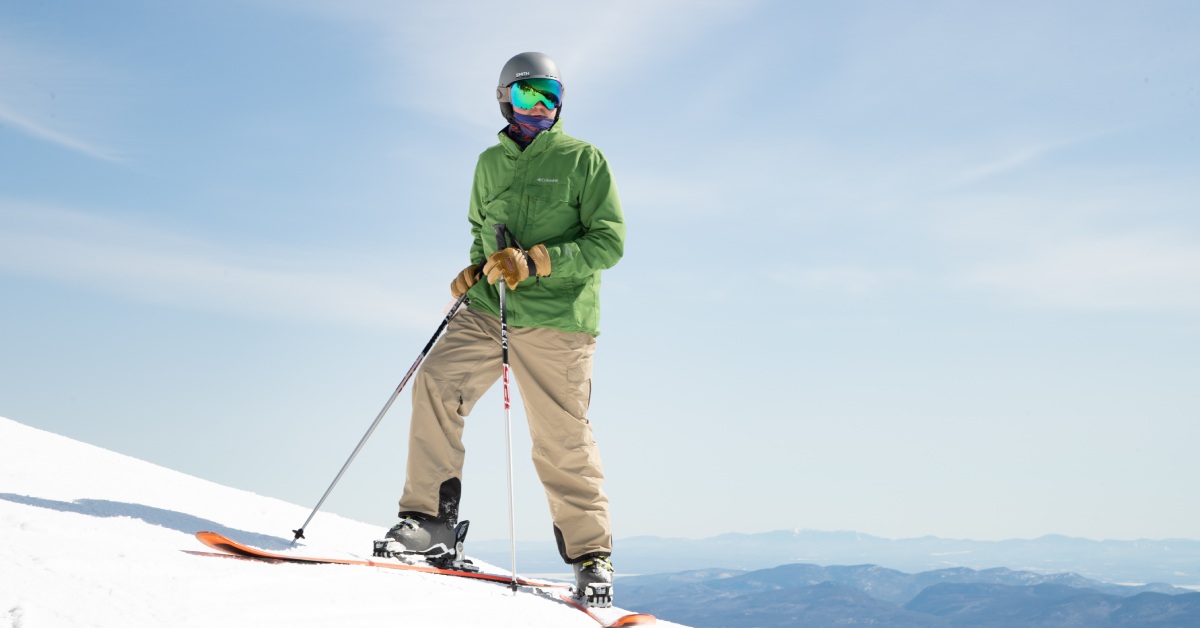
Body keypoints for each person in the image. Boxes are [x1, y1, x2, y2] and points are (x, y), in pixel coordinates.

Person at [382, 51, 626, 607]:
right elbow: (479, 230)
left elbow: (608, 241)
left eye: (549, 96)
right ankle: (430, 523)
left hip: (557, 319)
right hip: (489, 309)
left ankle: (592, 556)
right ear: (503, 101)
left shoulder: (584, 160)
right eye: (526, 96)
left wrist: (538, 260)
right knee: (436, 383)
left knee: (561, 437)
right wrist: (474, 271)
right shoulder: (488, 162)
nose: (539, 107)